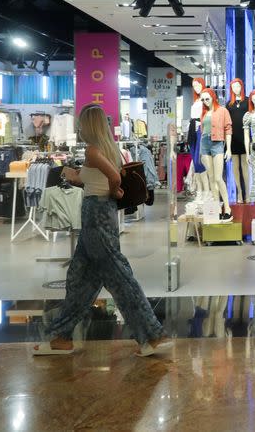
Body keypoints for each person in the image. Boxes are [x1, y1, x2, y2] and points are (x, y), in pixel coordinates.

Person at [34, 105, 172, 357]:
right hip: (100, 213)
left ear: (89, 125)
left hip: (96, 214)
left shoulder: (93, 150)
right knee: (80, 278)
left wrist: (113, 189)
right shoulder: (107, 149)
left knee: (119, 277)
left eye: (81, 123)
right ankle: (61, 337)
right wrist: (74, 175)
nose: (79, 127)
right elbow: (99, 178)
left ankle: (153, 335)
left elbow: (114, 179)